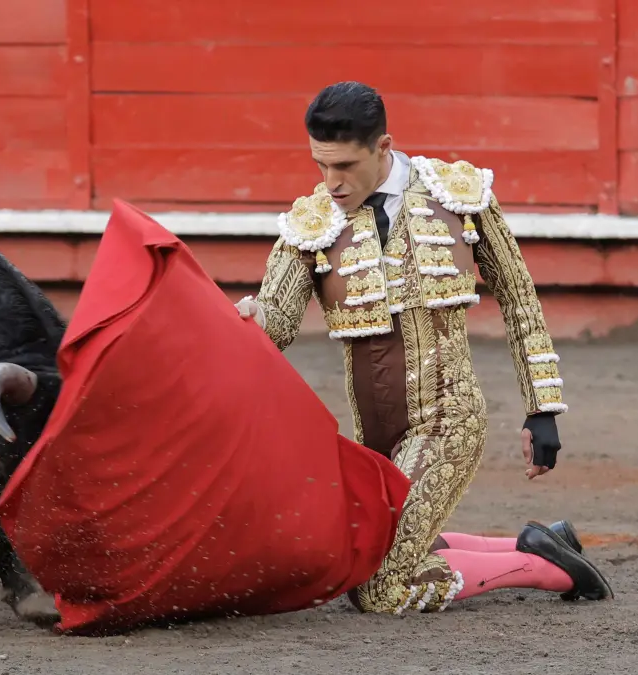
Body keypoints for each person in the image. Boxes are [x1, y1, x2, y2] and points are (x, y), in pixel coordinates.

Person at [235, 81, 613, 614]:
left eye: (345, 166)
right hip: (374, 438)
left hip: (448, 418)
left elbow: (518, 296)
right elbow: (274, 325)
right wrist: (243, 321)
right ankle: (535, 543)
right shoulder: (312, 223)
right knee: (368, 557)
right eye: (321, 165)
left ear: (383, 147)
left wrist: (543, 406)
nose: (331, 183)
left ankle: (546, 569)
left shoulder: (456, 195)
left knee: (379, 591)